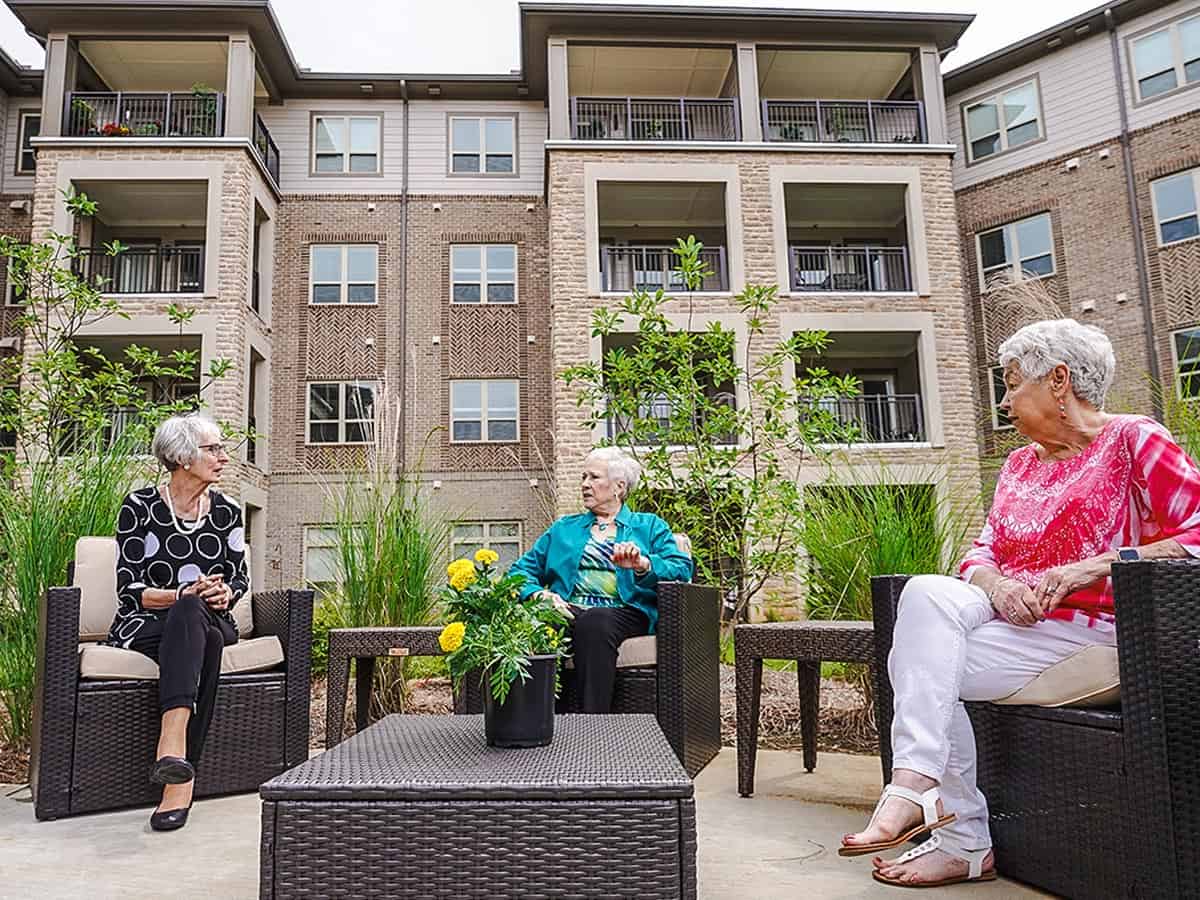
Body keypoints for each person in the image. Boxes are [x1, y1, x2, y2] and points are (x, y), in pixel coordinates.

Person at [842, 318, 1200, 888]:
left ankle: (960, 839)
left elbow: (1198, 531)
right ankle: (915, 782)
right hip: (1015, 622)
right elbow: (981, 552)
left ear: (1059, 381)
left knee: (927, 671)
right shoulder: (1019, 464)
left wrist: (1097, 563)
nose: (1005, 401)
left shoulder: (1134, 438)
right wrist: (998, 585)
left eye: (1012, 383)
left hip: (1100, 628)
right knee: (926, 595)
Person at [105, 412, 249, 831]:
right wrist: (180, 596)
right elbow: (129, 589)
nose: (223, 457)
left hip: (210, 618)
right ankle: (180, 785)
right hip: (148, 624)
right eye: (213, 449)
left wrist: (225, 593)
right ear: (182, 457)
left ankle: (172, 746)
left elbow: (237, 577)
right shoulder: (140, 506)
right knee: (199, 629)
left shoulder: (228, 511)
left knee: (196, 616)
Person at [509, 446, 693, 712]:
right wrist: (540, 595)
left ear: (619, 486)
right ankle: (535, 722)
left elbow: (680, 568)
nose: (585, 484)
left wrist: (643, 564)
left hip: (625, 611)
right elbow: (519, 572)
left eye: (593, 477)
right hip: (567, 611)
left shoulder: (649, 525)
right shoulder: (564, 529)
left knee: (595, 621)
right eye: (583, 477)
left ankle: (592, 724)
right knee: (539, 623)